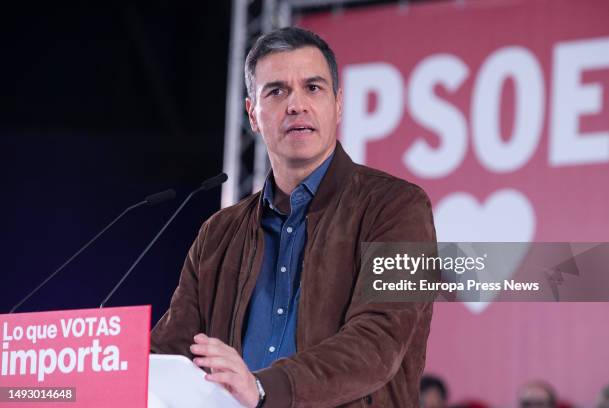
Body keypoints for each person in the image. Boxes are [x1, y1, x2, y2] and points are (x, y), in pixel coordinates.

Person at [150, 26, 436, 408]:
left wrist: (264, 388)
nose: (296, 105)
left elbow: (379, 341)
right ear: (253, 114)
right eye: (277, 91)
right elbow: (172, 351)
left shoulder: (399, 207)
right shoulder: (218, 233)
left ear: (338, 104)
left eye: (313, 88)